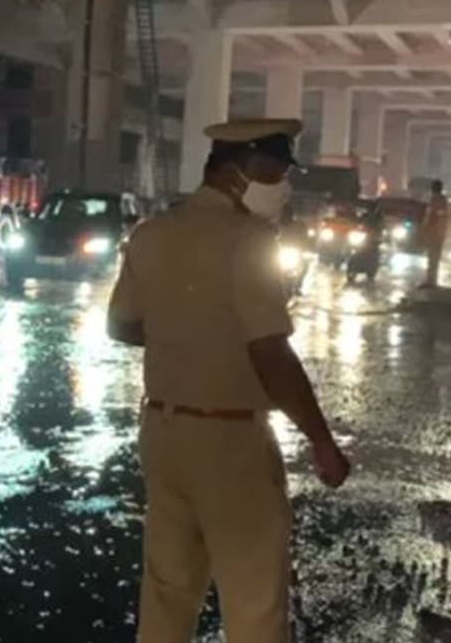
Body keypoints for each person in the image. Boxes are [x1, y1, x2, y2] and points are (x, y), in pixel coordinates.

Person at [107, 118, 352, 642]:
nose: (285, 184)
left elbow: (122, 325)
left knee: (167, 589)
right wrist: (321, 440)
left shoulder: (152, 232)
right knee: (254, 596)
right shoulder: (249, 239)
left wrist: (186, 334)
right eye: (280, 170)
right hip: (230, 443)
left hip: (162, 433)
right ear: (245, 170)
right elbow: (270, 353)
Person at [420, 180, 448, 287]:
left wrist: (428, 228)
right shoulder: (437, 199)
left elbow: (436, 216)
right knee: (432, 257)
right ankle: (431, 280)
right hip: (436, 232)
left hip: (436, 232)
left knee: (433, 257)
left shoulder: (438, 200)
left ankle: (432, 281)